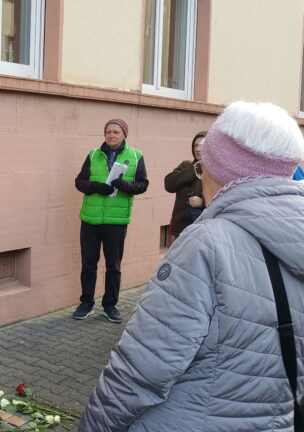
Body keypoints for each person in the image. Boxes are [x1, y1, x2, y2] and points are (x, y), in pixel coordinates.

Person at [79, 101, 304, 431]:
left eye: (203, 169)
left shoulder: (206, 243)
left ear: (221, 172)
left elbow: (144, 367)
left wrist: (95, 425)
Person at [73, 118, 149, 322]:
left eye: (116, 132)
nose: (111, 135)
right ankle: (86, 303)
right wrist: (96, 187)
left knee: (113, 266)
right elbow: (79, 182)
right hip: (90, 219)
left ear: (124, 135)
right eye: (108, 132)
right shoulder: (93, 154)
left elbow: (143, 185)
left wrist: (124, 185)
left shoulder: (135, 155)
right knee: (88, 264)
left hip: (116, 221)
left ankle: (110, 305)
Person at [164, 131, 207, 241]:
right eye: (195, 145)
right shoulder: (186, 166)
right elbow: (169, 185)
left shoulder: (215, 171)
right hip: (180, 229)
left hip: (202, 229)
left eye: (202, 145)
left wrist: (203, 202)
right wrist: (194, 170)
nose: (197, 149)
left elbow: (222, 199)